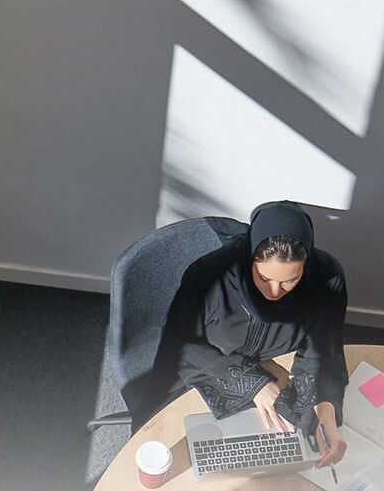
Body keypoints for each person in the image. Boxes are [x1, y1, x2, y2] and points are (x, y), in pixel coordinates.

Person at [149, 200, 348, 468]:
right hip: (208, 365)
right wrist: (254, 383)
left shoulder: (326, 278)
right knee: (197, 459)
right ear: (250, 257)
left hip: (272, 367)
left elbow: (324, 351)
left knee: (281, 456)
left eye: (290, 280)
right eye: (263, 277)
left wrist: (327, 414)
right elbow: (181, 342)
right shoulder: (210, 275)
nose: (275, 292)